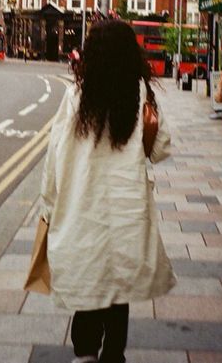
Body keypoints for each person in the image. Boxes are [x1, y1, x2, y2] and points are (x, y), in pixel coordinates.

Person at [40, 20, 175, 363]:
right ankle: (114, 354)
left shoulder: (76, 97)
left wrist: (49, 204)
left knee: (91, 283)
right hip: (127, 211)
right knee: (119, 289)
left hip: (83, 209)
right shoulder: (141, 93)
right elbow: (160, 149)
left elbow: (54, 156)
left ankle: (85, 352)